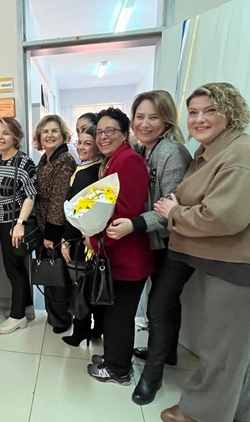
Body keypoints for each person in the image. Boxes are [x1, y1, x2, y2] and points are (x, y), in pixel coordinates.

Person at [154, 83, 250, 422]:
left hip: (242, 268)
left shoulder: (242, 156)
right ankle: (237, 414)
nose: (199, 119)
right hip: (226, 263)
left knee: (221, 352)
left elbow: (223, 217)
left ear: (231, 113)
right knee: (233, 351)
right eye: (193, 112)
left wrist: (174, 212)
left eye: (210, 111)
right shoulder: (211, 150)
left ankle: (199, 414)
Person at [104, 90, 194, 405]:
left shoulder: (172, 153)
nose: (144, 123)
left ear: (166, 120)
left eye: (153, 117)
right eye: (139, 117)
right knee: (166, 304)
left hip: (174, 243)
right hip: (152, 242)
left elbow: (171, 208)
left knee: (157, 307)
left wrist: (134, 224)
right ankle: (167, 352)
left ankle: (152, 376)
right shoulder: (141, 149)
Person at [86, 107, 154, 386]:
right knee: (114, 313)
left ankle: (119, 370)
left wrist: (94, 241)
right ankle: (113, 357)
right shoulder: (114, 160)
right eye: (99, 132)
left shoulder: (129, 161)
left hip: (127, 255)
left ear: (125, 133)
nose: (103, 136)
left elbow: (125, 215)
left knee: (119, 316)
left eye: (110, 131)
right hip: (117, 253)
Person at [0, 117, 37, 335]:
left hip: (14, 224)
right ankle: (26, 307)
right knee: (14, 265)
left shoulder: (24, 162)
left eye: (6, 133)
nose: (0, 137)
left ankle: (18, 317)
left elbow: (31, 195)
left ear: (16, 137)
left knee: (13, 269)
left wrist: (20, 224)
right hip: (0, 222)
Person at [60, 121, 104, 347]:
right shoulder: (95, 167)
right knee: (92, 284)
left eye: (88, 143)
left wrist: (66, 240)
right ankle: (97, 328)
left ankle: (80, 331)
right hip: (90, 237)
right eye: (80, 143)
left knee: (82, 286)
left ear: (98, 145)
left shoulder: (88, 173)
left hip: (81, 239)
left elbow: (76, 210)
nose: (81, 147)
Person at [32, 115, 77, 334]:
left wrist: (51, 235)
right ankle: (54, 315)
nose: (49, 135)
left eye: (54, 131)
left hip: (56, 227)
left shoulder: (64, 159)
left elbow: (59, 199)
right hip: (43, 223)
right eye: (45, 131)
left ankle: (61, 319)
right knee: (50, 273)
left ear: (63, 135)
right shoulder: (45, 158)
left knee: (57, 274)